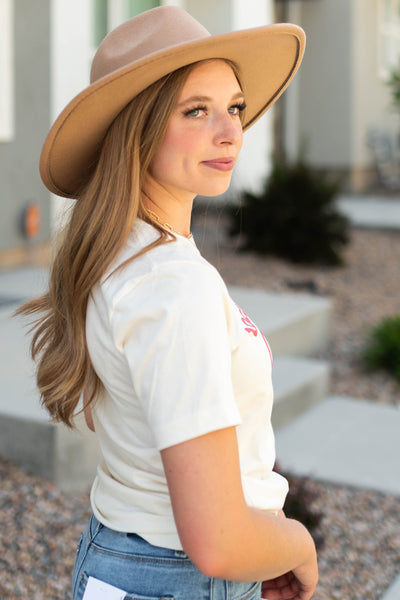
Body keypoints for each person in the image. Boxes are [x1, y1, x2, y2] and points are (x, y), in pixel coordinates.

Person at [20, 6, 318, 600]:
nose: (231, 131)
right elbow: (217, 540)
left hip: (126, 560)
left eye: (233, 107)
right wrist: (296, 543)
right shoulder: (173, 286)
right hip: (180, 577)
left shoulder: (121, 253)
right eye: (196, 111)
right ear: (138, 128)